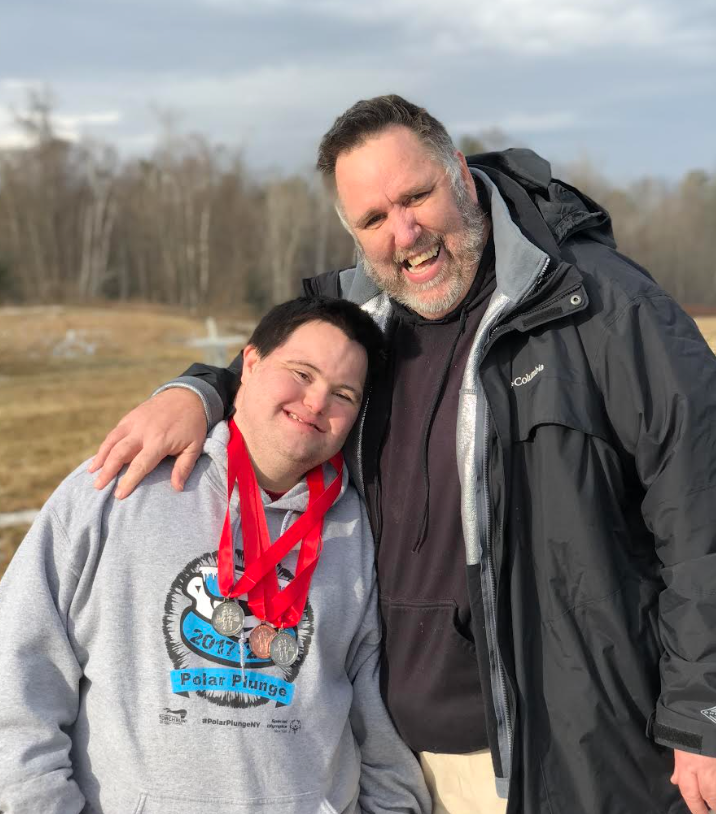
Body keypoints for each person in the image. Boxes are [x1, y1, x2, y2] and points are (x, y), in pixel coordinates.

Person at [88, 96, 716, 814]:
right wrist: (199, 391)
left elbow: (701, 507)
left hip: (566, 757)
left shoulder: (599, 305)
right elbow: (284, 378)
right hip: (395, 771)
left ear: (460, 173)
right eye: (374, 219)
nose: (405, 233)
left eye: (416, 196)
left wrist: (703, 713)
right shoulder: (365, 325)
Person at [0, 296, 431, 814]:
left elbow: (380, 721)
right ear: (248, 366)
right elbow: (18, 680)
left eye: (343, 393)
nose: (317, 402)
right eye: (301, 372)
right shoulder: (120, 487)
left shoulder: (358, 529)